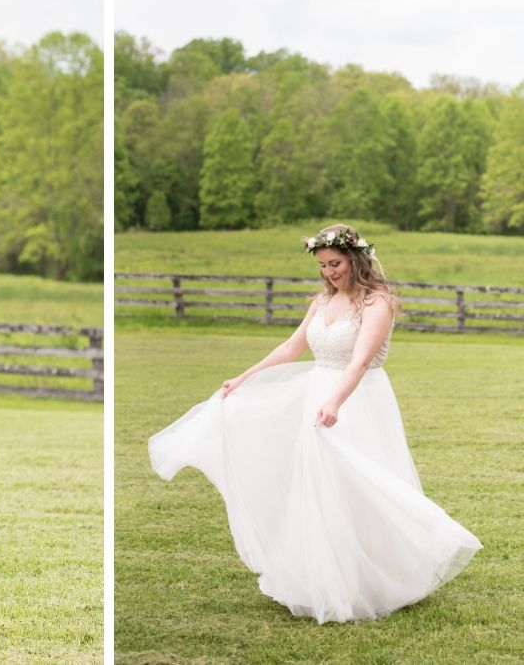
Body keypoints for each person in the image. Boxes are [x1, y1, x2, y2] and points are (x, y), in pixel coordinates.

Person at [146, 224, 482, 624]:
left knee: (358, 485)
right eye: (323, 265)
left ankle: (376, 578)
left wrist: (336, 402)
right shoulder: (322, 302)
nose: (329, 272)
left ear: (356, 259)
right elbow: (292, 346)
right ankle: (322, 578)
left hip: (357, 398)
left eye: (335, 263)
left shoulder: (377, 303)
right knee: (317, 486)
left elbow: (359, 360)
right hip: (316, 395)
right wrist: (243, 377)